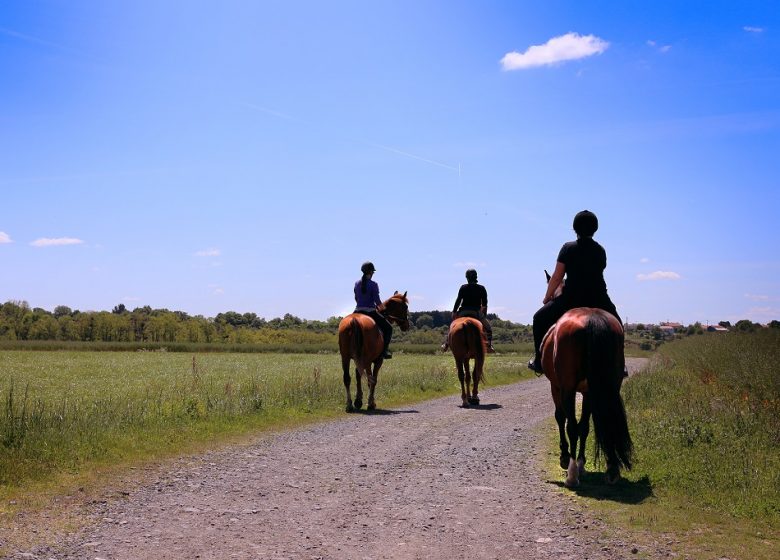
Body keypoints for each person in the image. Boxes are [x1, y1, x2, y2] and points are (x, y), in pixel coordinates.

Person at [528, 210, 622, 373]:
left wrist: (547, 297)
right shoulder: (600, 250)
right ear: (595, 229)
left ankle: (538, 360)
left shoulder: (567, 247)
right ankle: (620, 364)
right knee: (618, 325)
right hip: (599, 298)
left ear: (574, 228)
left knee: (539, 318)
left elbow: (557, 277)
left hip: (572, 298)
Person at [441, 269, 495, 353]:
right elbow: (484, 305)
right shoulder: (481, 288)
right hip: (476, 312)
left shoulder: (463, 287)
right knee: (488, 328)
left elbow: (458, 300)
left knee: (453, 326)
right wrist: (484, 315)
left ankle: (446, 343)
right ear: (476, 277)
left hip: (463, 312)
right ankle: (489, 346)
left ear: (467, 278)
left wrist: (454, 312)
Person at [354, 261, 394, 359]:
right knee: (389, 328)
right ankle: (384, 351)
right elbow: (377, 300)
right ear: (371, 272)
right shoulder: (374, 284)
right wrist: (383, 309)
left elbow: (356, 298)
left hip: (357, 311)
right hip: (370, 312)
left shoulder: (356, 283)